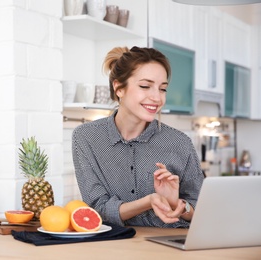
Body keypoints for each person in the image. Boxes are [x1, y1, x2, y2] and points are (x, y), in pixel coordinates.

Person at [72, 46, 204, 228]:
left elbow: (202, 210)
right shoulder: (86, 137)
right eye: (145, 86)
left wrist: (177, 205)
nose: (157, 97)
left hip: (172, 246)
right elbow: (97, 208)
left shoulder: (179, 143)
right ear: (118, 88)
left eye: (163, 89)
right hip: (114, 249)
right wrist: (149, 201)